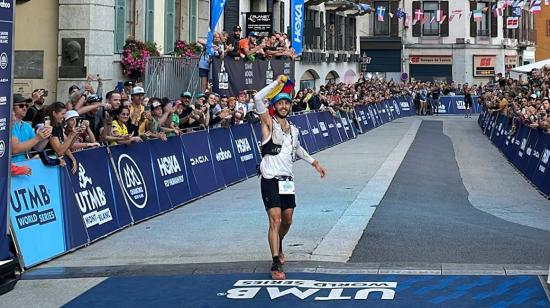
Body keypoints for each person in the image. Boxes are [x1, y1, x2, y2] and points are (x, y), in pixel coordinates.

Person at [254, 75, 327, 280]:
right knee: (275, 220)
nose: (284, 106)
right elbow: (258, 99)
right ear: (275, 107)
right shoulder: (268, 124)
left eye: (287, 103)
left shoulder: (294, 130)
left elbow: (298, 149)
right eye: (280, 103)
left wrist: (314, 163)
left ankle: (278, 242)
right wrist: (277, 84)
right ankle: (276, 262)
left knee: (287, 221)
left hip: (287, 181)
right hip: (270, 179)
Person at [11, 94, 51, 162]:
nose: (25, 108)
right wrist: (37, 138)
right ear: (11, 107)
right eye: (21, 106)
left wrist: (46, 136)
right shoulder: (8, 125)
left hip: (24, 166)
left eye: (26, 105)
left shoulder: (27, 125)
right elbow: (15, 149)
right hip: (10, 168)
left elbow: (37, 148)